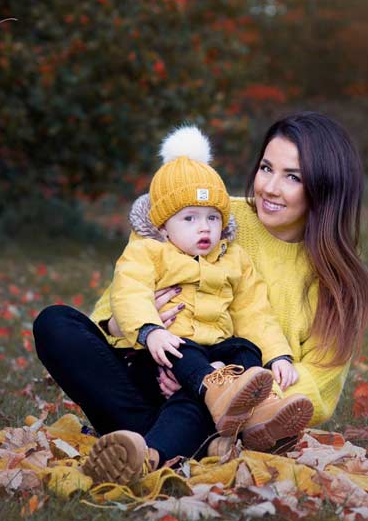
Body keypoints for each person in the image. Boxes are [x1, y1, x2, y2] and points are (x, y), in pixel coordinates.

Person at [33, 111, 368, 486]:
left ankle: (146, 453)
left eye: (292, 177)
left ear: (326, 188)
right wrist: (140, 326)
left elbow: (316, 390)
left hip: (225, 408)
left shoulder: (335, 281)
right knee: (56, 324)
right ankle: (172, 446)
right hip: (148, 370)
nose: (270, 188)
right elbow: (115, 302)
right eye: (266, 168)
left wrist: (217, 382)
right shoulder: (210, 212)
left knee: (210, 397)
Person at [87, 125, 313, 483]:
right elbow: (128, 291)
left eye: (212, 217)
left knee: (244, 350)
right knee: (185, 354)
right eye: (189, 219)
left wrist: (278, 356)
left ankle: (248, 416)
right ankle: (215, 408)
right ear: (163, 227)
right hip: (164, 352)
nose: (204, 228)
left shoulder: (233, 258)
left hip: (213, 359)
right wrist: (150, 331)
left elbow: (254, 311)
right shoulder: (149, 251)